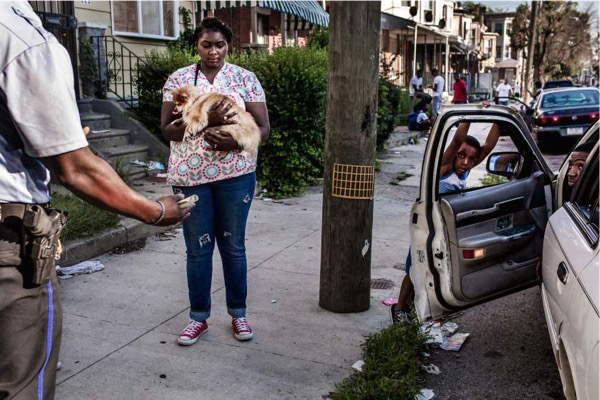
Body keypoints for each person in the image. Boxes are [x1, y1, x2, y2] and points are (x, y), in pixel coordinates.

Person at [0, 3, 192, 399]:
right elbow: (78, 169)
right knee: (21, 382)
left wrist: (54, 136)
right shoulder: (21, 38)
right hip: (8, 240)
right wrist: (155, 211)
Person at [161, 17, 270, 347]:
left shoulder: (244, 79)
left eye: (219, 45)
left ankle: (238, 313)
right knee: (198, 249)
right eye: (206, 44)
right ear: (197, 45)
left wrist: (236, 142)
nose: (213, 51)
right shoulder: (179, 79)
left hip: (236, 176)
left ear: (229, 46)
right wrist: (208, 118)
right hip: (190, 177)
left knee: (233, 247)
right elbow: (167, 128)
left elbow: (263, 128)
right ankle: (198, 318)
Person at [391, 116, 500, 323]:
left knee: (429, 271)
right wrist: (468, 113)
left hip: (440, 230)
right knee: (414, 269)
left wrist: (499, 119)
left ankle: (415, 307)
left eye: (471, 159)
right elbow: (458, 140)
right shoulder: (446, 168)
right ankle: (399, 308)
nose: (465, 162)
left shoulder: (464, 172)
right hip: (426, 226)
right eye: (461, 156)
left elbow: (489, 145)